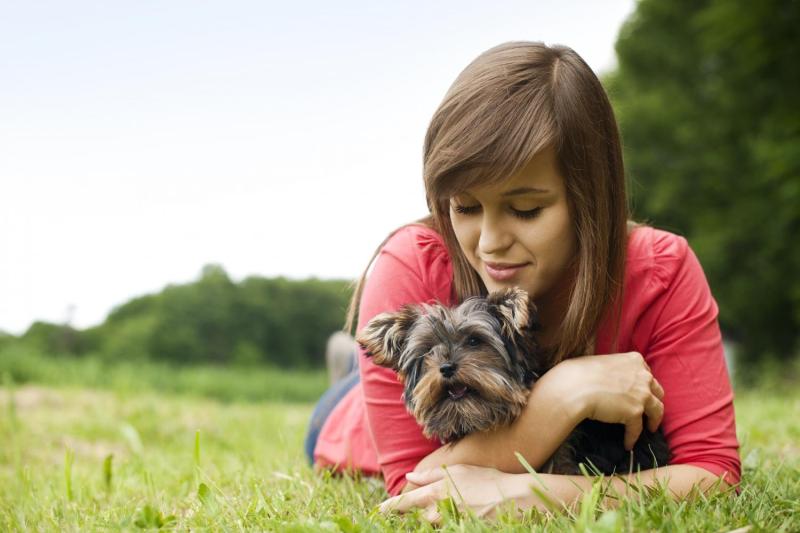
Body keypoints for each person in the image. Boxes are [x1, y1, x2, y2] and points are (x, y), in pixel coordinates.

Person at [304, 41, 740, 521]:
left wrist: (541, 495)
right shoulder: (411, 263)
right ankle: (353, 374)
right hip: (350, 427)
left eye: (526, 209)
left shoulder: (661, 269)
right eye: (465, 207)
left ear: (590, 197)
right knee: (370, 392)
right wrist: (564, 392)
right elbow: (411, 490)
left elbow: (714, 474)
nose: (489, 242)